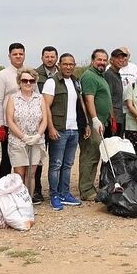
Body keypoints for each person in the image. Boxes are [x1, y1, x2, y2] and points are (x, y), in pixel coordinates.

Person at [42, 53, 90, 211]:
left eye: (71, 64)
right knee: (56, 164)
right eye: (65, 64)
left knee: (68, 165)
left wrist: (86, 124)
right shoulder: (52, 82)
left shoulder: (76, 82)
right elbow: (46, 107)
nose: (68, 67)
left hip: (74, 129)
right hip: (59, 129)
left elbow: (80, 104)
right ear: (60, 65)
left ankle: (65, 193)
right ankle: (54, 195)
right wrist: (51, 127)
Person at [5, 68, 48, 198]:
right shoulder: (13, 98)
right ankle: (18, 202)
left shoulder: (40, 98)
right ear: (19, 81)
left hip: (36, 141)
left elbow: (45, 119)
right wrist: (23, 136)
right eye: (25, 80)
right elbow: (10, 120)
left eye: (31, 80)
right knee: (19, 174)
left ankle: (28, 201)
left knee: (31, 174)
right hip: (17, 142)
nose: (28, 83)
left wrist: (37, 136)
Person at [78, 49, 113, 201]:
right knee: (90, 156)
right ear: (92, 61)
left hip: (100, 122)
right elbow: (88, 99)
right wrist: (93, 119)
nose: (102, 62)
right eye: (99, 59)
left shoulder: (100, 76)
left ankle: (89, 187)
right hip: (92, 123)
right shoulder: (90, 76)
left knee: (95, 155)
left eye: (105, 60)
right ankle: (86, 190)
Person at [0, 42, 26, 178]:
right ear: (9, 56)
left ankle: (26, 190)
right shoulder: (2, 75)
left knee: (26, 160)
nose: (18, 57)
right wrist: (0, 124)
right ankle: (4, 190)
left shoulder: (29, 73)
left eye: (21, 54)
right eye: (15, 54)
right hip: (8, 124)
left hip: (27, 124)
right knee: (7, 159)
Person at [32, 45, 59, 200]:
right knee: (39, 157)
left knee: (56, 159)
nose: (50, 59)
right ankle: (36, 190)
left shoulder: (62, 74)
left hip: (57, 121)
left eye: (52, 56)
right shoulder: (36, 75)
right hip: (40, 123)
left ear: (56, 58)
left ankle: (56, 189)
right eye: (47, 57)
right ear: (42, 58)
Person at [104, 48, 127, 138]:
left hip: (119, 117)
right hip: (112, 119)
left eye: (122, 58)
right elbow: (108, 98)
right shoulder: (109, 75)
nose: (121, 60)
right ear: (111, 60)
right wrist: (112, 120)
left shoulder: (117, 74)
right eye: (118, 58)